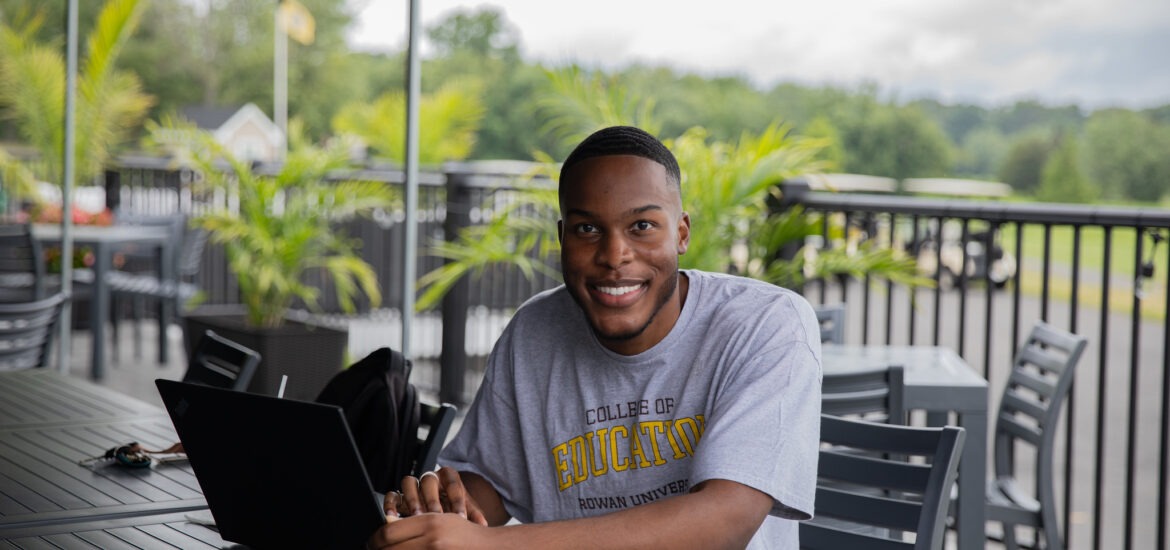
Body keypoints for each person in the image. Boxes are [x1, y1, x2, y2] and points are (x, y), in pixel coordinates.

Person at [368, 126, 822, 549]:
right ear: (563, 238)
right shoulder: (535, 331)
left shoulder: (765, 323)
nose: (614, 255)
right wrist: (437, 514)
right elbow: (489, 486)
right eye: (588, 229)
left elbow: (724, 521)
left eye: (642, 226)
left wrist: (488, 546)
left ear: (680, 233)